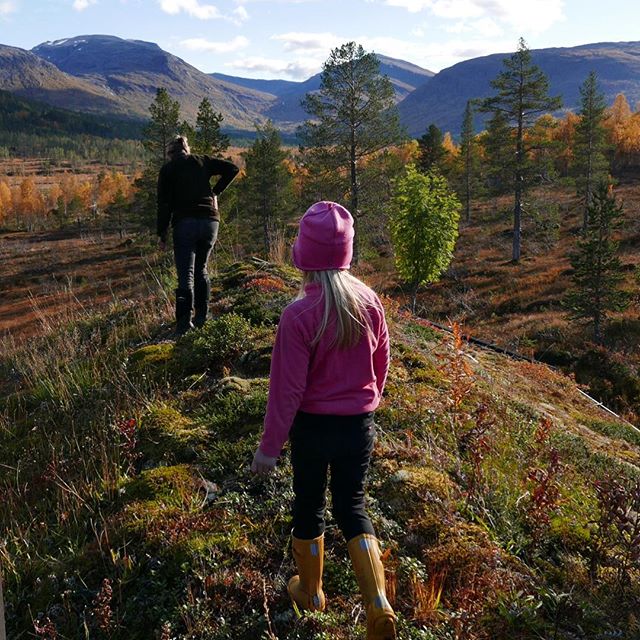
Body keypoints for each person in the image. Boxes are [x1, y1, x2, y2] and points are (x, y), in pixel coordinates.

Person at [251, 201, 396, 640]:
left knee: (309, 503)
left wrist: (268, 449)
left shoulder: (298, 315)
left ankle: (311, 594)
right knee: (353, 506)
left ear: (303, 257)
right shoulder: (369, 302)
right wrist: (369, 402)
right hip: (358, 426)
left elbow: (286, 391)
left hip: (312, 430)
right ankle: (378, 604)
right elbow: (382, 362)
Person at [157, 135, 239, 335]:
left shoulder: (167, 170)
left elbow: (164, 205)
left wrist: (162, 233)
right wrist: (215, 192)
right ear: (187, 148)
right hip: (210, 222)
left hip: (185, 224)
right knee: (201, 269)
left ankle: (184, 326)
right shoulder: (202, 161)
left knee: (186, 275)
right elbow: (233, 168)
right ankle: (202, 317)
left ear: (170, 153)